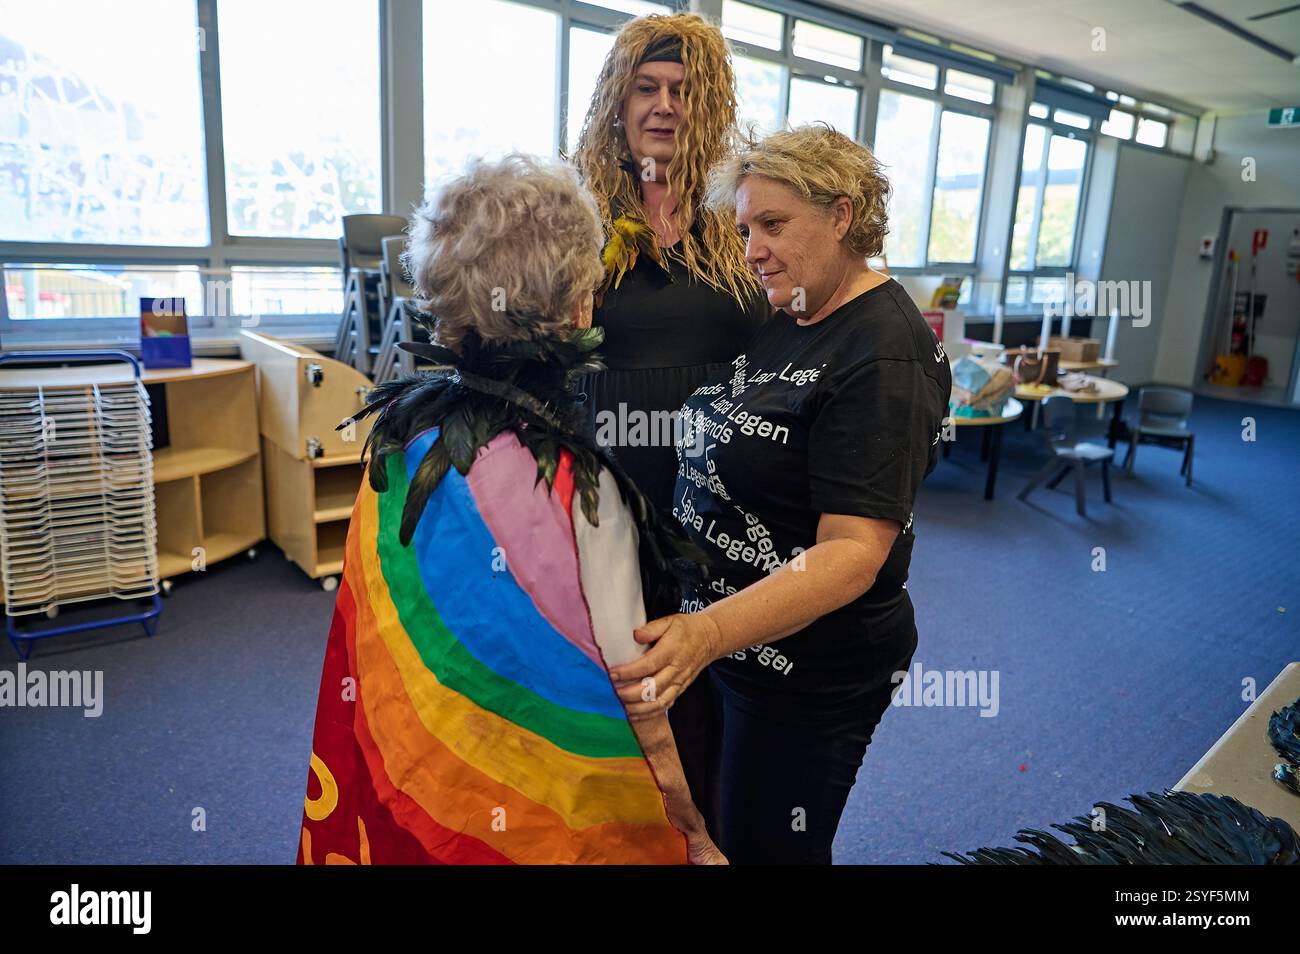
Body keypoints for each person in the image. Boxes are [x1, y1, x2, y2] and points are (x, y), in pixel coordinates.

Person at [295, 153, 724, 865]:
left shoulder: (402, 437)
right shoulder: (585, 491)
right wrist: (694, 831)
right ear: (580, 306)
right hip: (538, 820)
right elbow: (635, 692)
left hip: (409, 781)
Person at [608, 125, 953, 864]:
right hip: (736, 651)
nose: (752, 248)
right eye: (743, 228)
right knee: (722, 832)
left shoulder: (884, 353)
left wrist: (707, 632)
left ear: (841, 215)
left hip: (810, 674)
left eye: (773, 224)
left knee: (771, 850)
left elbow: (852, 554)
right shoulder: (791, 312)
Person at [571, 11, 768, 839]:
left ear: (708, 105)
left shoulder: (741, 221)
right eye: (646, 88)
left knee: (712, 679)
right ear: (617, 103)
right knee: (620, 679)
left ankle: (706, 835)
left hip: (721, 504)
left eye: (682, 91)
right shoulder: (581, 225)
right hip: (609, 496)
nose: (663, 105)